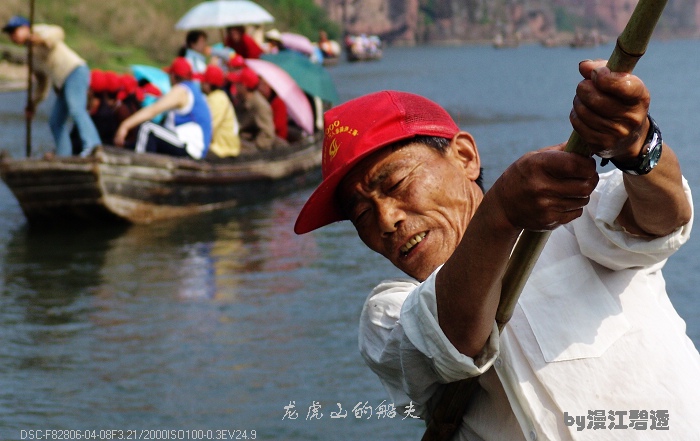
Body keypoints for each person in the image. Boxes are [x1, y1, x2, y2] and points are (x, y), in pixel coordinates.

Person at [294, 60, 700, 440]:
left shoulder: (575, 216)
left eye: (397, 184)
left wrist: (636, 145)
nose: (385, 221)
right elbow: (454, 338)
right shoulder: (389, 316)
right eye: (362, 214)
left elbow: (663, 220)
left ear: (465, 156)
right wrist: (502, 209)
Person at [2, 15, 101, 157]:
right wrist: (33, 104)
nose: (12, 36)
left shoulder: (39, 31)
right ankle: (64, 155)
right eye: (10, 33)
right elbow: (42, 84)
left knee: (76, 108)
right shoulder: (30, 55)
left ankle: (92, 146)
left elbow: (57, 33)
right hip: (61, 84)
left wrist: (40, 40)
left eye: (14, 31)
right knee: (55, 121)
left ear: (25, 28)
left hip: (74, 72)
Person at [114, 57, 212, 160]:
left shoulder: (182, 90)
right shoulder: (193, 90)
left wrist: (125, 125)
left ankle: (140, 168)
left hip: (190, 147)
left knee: (147, 128)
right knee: (147, 136)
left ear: (173, 76)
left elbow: (153, 110)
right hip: (190, 145)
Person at [230, 67, 279, 153]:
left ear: (244, 86)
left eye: (237, 83)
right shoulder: (242, 100)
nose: (235, 86)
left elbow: (267, 134)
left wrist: (253, 150)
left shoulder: (259, 105)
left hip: (253, 150)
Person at [200, 65, 241, 159]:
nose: (200, 83)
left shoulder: (218, 99)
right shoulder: (216, 97)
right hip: (221, 147)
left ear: (208, 84)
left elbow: (210, 126)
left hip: (223, 150)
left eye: (203, 81)